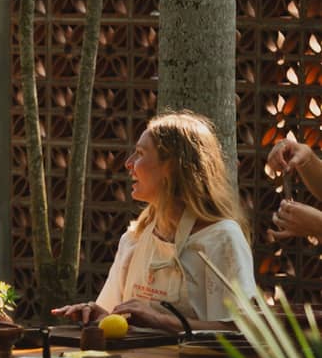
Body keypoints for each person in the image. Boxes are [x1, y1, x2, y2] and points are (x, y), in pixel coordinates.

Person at [54, 111, 257, 332]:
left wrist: (162, 321)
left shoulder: (221, 238)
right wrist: (96, 315)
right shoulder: (134, 239)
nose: (128, 163)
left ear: (173, 166)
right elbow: (115, 316)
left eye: (140, 154)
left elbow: (241, 330)